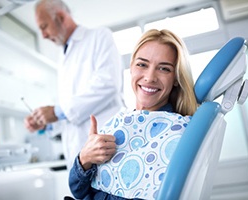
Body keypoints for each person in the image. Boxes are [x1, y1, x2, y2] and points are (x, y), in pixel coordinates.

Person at [68, 29, 198, 199]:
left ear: (175, 78)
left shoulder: (176, 132)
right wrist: (84, 158)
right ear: (131, 68)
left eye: (164, 69)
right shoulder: (119, 123)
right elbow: (77, 190)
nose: (150, 77)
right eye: (142, 64)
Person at [24, 0, 125, 169]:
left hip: (105, 148)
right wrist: (46, 121)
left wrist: (56, 111)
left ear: (61, 17)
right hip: (79, 156)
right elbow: (72, 112)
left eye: (44, 26)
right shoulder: (63, 56)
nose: (43, 35)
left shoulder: (99, 36)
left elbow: (108, 84)